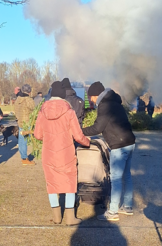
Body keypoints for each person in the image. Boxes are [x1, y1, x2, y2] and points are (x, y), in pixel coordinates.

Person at [34, 81, 90, 225]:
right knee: (70, 183)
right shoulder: (69, 112)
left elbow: (37, 135)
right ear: (63, 96)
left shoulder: (42, 112)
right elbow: (78, 136)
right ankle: (70, 218)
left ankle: (57, 217)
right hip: (66, 153)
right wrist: (87, 142)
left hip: (49, 153)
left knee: (51, 184)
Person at [83, 81, 136, 221]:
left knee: (116, 178)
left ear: (95, 95)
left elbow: (97, 128)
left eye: (91, 97)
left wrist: (79, 131)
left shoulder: (104, 105)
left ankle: (112, 212)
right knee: (127, 175)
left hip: (119, 145)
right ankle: (128, 206)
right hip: (130, 142)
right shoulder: (114, 101)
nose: (90, 100)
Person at [14, 84, 36, 166]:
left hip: (20, 122)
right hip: (27, 122)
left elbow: (15, 110)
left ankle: (23, 156)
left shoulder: (18, 99)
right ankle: (24, 158)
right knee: (24, 141)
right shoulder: (28, 100)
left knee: (21, 140)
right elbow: (34, 109)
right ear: (29, 92)